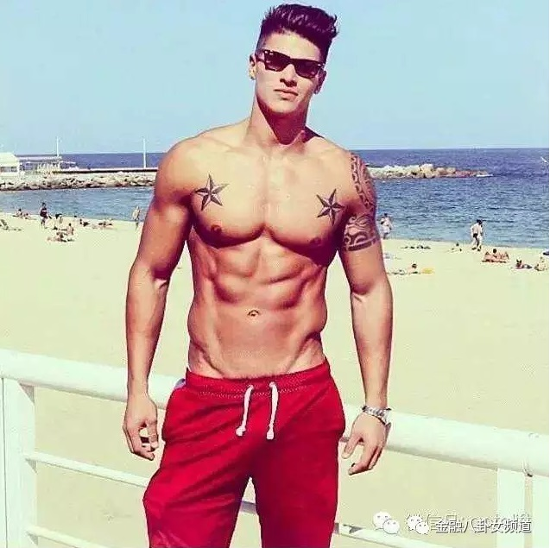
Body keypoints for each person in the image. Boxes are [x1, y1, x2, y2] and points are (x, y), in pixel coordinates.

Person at [123, 5, 393, 548]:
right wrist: (137, 390)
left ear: (320, 80)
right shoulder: (192, 161)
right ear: (253, 63)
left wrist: (375, 407)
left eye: (305, 67)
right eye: (276, 60)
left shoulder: (344, 173)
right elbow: (151, 274)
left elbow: (369, 289)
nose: (288, 75)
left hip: (303, 398)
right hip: (209, 396)